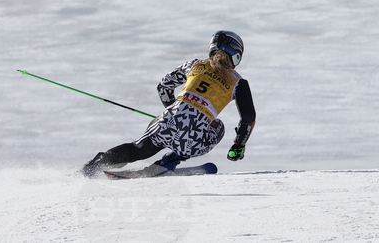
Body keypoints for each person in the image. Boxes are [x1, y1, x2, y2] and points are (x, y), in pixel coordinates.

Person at [82, 30, 256, 177]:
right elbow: (249, 118)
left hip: (168, 120)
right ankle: (168, 162)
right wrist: (238, 146)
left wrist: (174, 111)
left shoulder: (196, 64)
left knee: (138, 149)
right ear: (236, 55)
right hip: (194, 139)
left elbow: (164, 86)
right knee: (218, 126)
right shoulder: (238, 82)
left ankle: (99, 163)